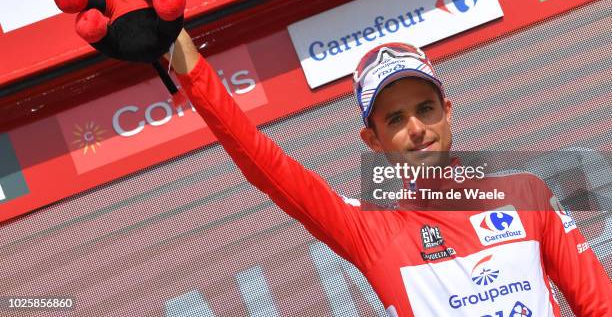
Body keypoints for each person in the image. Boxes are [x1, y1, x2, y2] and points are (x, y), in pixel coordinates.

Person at [169, 29, 611, 316]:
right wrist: (176, 46)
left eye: (425, 109)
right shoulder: (372, 229)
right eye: (395, 120)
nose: (416, 129)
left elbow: (598, 304)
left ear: (447, 113)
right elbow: (266, 165)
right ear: (373, 141)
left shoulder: (525, 194)